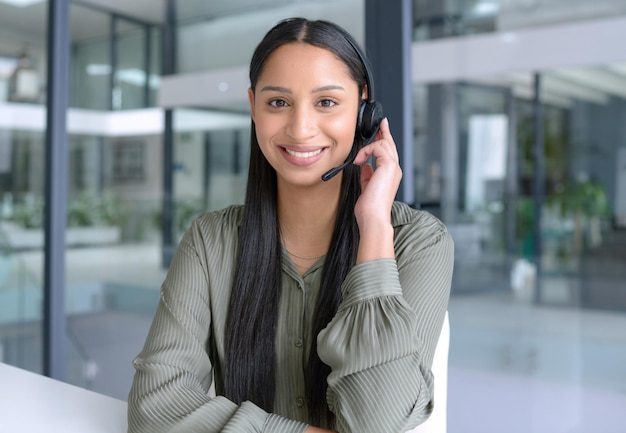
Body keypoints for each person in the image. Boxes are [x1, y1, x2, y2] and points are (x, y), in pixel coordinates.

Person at [127, 17, 454, 433]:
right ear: (253, 107)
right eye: (278, 102)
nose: (300, 129)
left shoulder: (419, 243)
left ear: (364, 108)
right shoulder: (211, 241)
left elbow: (380, 422)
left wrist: (374, 228)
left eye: (327, 102)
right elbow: (152, 408)